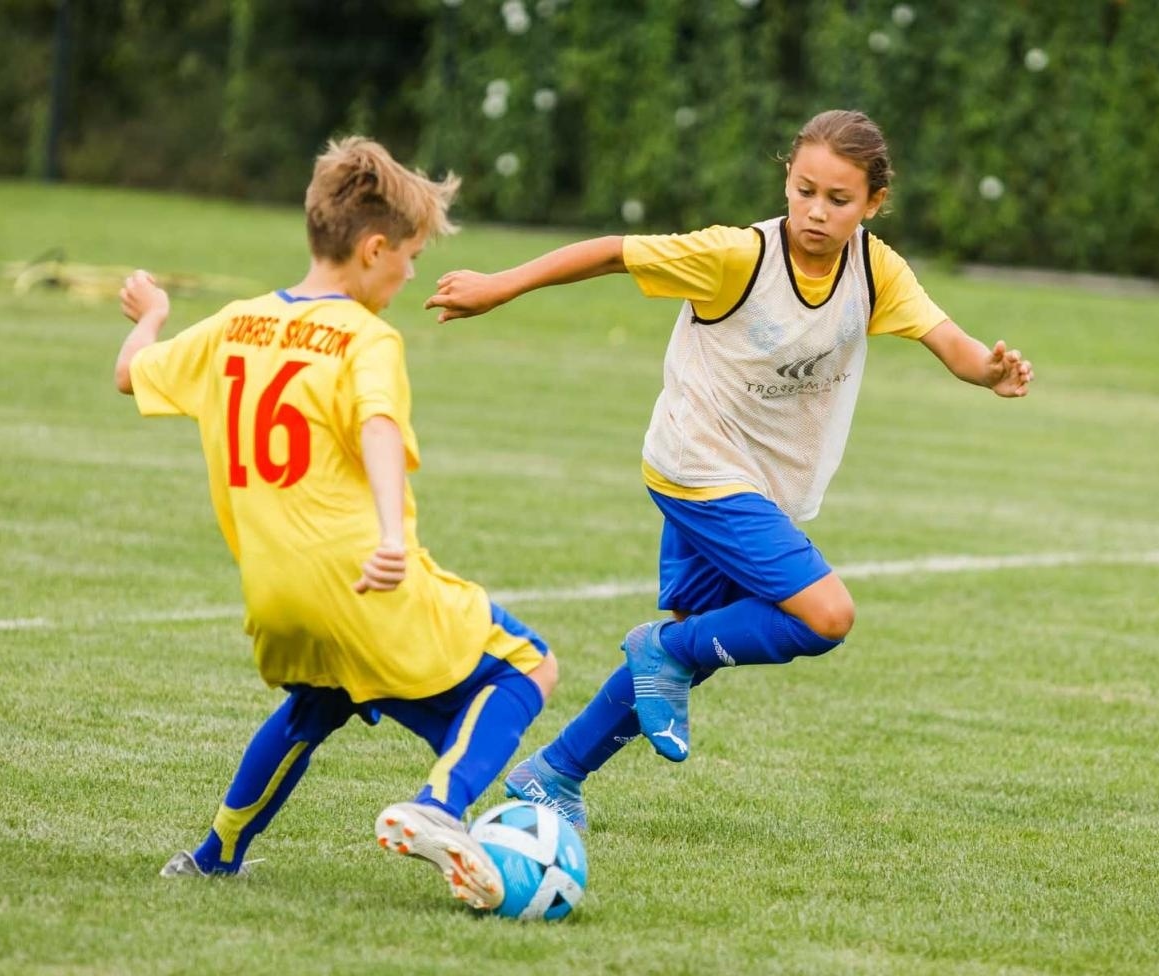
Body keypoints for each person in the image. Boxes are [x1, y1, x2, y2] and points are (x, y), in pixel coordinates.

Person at [425, 109, 1031, 832]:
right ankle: (660, 650)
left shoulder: (875, 269)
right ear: (786, 178)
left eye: (839, 200)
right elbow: (617, 252)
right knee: (824, 616)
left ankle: (554, 772)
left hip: (760, 484)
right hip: (698, 463)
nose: (816, 211)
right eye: (805, 190)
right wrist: (501, 286)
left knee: (698, 639)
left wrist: (989, 371)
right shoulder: (737, 257)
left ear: (873, 204)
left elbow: (950, 341)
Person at [111, 136, 558, 909]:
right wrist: (392, 534)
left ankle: (214, 856)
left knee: (317, 701)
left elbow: (128, 373)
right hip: (363, 574)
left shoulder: (235, 325)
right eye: (411, 256)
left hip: (276, 595)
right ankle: (440, 807)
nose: (412, 272)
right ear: (374, 246)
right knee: (527, 665)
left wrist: (151, 316)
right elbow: (379, 424)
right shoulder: (366, 337)